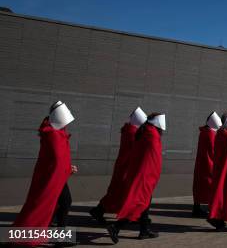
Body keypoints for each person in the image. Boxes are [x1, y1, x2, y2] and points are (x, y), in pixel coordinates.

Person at [12, 101, 77, 247]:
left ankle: (55, 235)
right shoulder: (53, 135)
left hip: (55, 176)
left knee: (59, 203)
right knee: (53, 204)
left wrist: (67, 167)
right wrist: (67, 168)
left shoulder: (56, 133)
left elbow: (59, 159)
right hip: (51, 177)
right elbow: (57, 159)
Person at [106, 113, 165, 244]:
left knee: (144, 204)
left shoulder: (145, 132)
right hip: (145, 176)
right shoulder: (151, 134)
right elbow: (152, 159)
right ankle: (116, 227)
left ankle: (144, 230)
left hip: (141, 174)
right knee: (139, 204)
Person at [90, 107, 147, 223]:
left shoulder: (128, 131)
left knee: (116, 192)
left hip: (124, 166)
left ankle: (101, 210)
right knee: (118, 192)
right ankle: (101, 211)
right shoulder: (132, 133)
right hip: (126, 167)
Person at [207, 112, 227, 232]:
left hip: (220, 169)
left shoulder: (220, 134)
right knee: (224, 196)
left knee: (220, 195)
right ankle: (218, 221)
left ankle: (217, 218)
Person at [192, 111, 222, 217]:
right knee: (210, 188)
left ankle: (196, 209)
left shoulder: (204, 131)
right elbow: (214, 150)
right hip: (208, 164)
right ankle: (212, 211)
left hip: (201, 163)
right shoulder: (211, 134)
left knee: (198, 187)